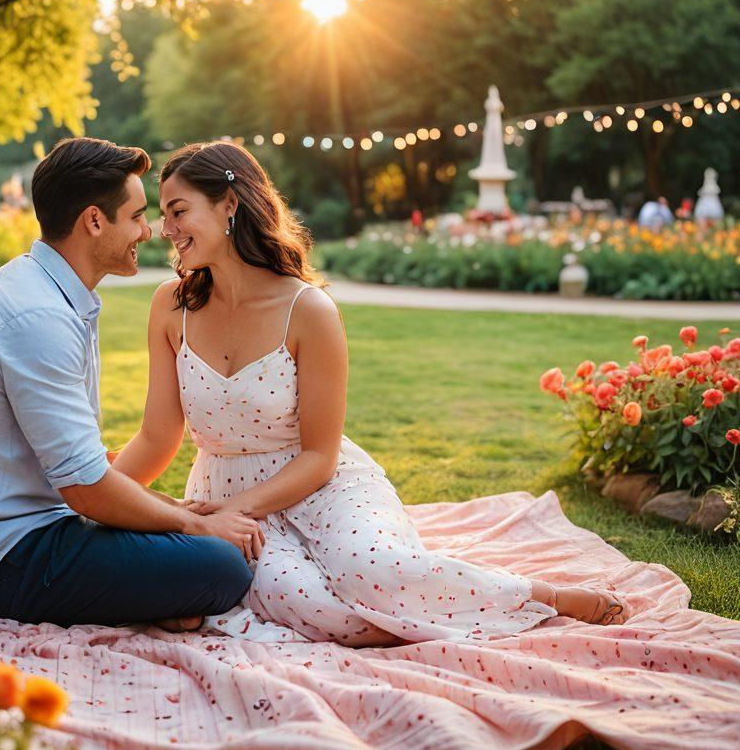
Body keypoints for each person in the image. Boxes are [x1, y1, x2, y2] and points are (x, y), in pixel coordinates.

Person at [114, 140, 629, 647]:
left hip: (321, 483)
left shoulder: (308, 311)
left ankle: (541, 596)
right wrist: (91, 491)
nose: (167, 229)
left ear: (229, 205)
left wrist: (237, 510)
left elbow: (320, 455)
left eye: (178, 211)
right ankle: (426, 614)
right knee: (319, 609)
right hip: (224, 495)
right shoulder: (170, 306)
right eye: (164, 214)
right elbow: (158, 436)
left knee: (373, 570)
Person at [0, 137, 264, 630]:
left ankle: (152, 595)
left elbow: (80, 470)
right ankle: (155, 595)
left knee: (189, 547)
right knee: (222, 566)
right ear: (94, 221)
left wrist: (170, 509)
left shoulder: (47, 290)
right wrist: (196, 523)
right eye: (138, 216)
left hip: (35, 528)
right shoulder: (36, 315)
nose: (149, 232)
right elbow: (86, 490)